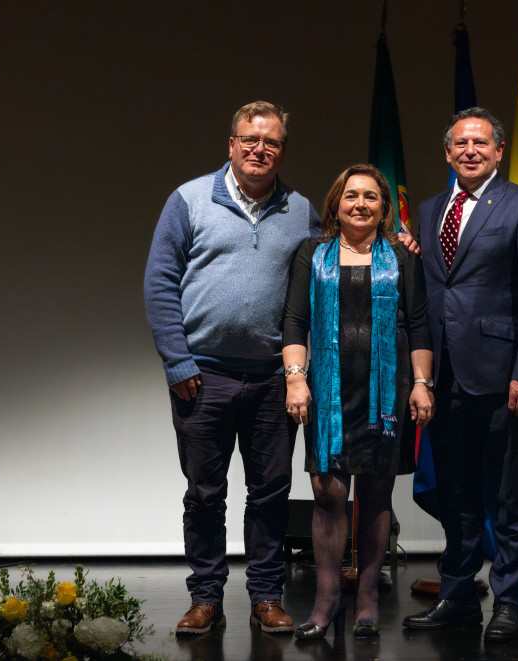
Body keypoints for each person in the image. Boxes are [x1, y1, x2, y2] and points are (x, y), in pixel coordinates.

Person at [143, 100, 321, 636]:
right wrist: (177, 362)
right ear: (231, 144)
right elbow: (158, 285)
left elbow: (328, 275)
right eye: (249, 139)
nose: (258, 149)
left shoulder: (301, 210)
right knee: (204, 494)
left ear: (282, 151)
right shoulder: (189, 200)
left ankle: (267, 596)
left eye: (269, 142)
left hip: (273, 378)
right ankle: (205, 599)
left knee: (270, 495)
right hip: (203, 376)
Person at [402, 108, 518, 642]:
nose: (470, 151)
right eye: (460, 144)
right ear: (447, 153)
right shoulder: (428, 211)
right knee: (456, 494)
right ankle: (459, 596)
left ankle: (509, 601)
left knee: (509, 496)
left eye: (481, 143)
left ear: (499, 151)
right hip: (443, 377)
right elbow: (435, 287)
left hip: (503, 377)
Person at [282, 164, 434, 639]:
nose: (360, 204)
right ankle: (326, 600)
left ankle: (367, 598)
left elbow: (422, 324)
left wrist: (422, 382)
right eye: (351, 196)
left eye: (371, 196)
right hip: (327, 392)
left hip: (385, 392)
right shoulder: (312, 253)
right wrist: (296, 380)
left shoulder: (402, 259)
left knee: (375, 494)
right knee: (328, 494)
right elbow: (294, 320)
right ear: (336, 204)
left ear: (384, 208)